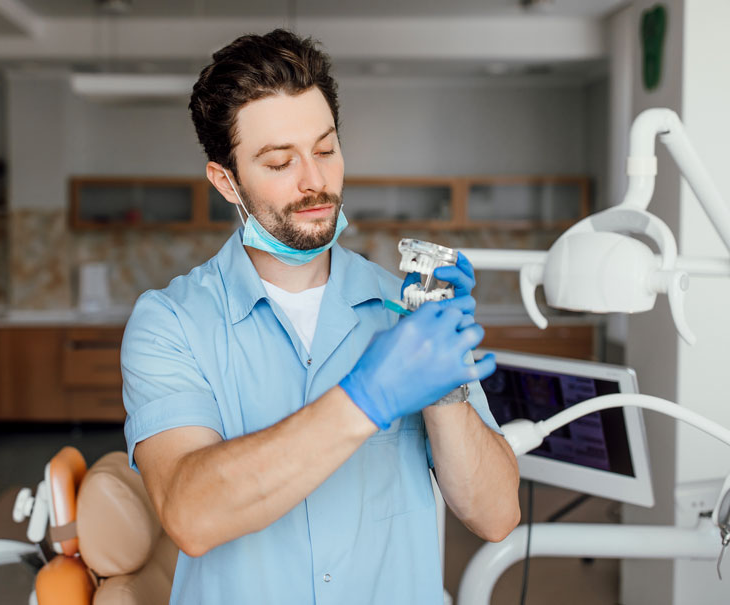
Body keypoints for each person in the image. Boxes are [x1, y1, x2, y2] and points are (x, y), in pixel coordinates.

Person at [121, 28, 520, 605]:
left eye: (326, 150)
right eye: (280, 162)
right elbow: (190, 514)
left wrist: (443, 390)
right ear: (226, 181)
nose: (314, 181)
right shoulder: (170, 324)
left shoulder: (403, 312)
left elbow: (497, 515)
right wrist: (368, 396)